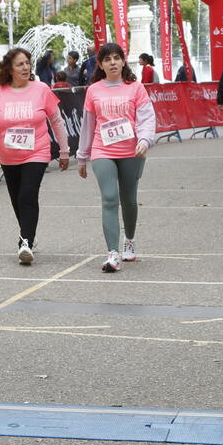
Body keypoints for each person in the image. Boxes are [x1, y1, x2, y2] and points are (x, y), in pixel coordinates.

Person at [0, 46, 69, 264]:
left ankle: (25, 242)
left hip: (37, 152)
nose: (25, 67)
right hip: (8, 155)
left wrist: (64, 150)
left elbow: (57, 121)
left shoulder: (41, 89)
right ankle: (28, 232)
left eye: (27, 63)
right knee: (16, 199)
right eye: (20, 64)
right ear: (10, 69)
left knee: (27, 195)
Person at [76, 42, 155, 272]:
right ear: (100, 64)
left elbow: (146, 117)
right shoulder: (94, 90)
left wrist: (144, 140)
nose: (112, 63)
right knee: (109, 198)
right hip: (103, 150)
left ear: (123, 61)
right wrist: (82, 157)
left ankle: (129, 240)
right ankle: (112, 253)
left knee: (128, 199)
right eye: (107, 59)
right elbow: (87, 125)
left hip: (132, 150)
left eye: (116, 58)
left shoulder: (135, 88)